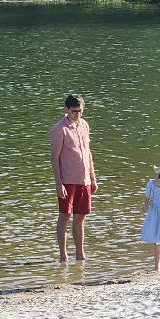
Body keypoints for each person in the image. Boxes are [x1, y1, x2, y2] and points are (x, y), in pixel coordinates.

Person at [50, 93, 97, 264]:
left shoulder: (84, 125)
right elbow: (54, 158)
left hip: (83, 178)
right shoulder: (59, 129)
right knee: (64, 215)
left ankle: (80, 252)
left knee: (81, 216)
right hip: (67, 179)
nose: (77, 114)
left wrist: (93, 177)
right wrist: (58, 183)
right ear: (67, 110)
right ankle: (63, 254)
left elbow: (88, 152)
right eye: (74, 111)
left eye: (80, 111)